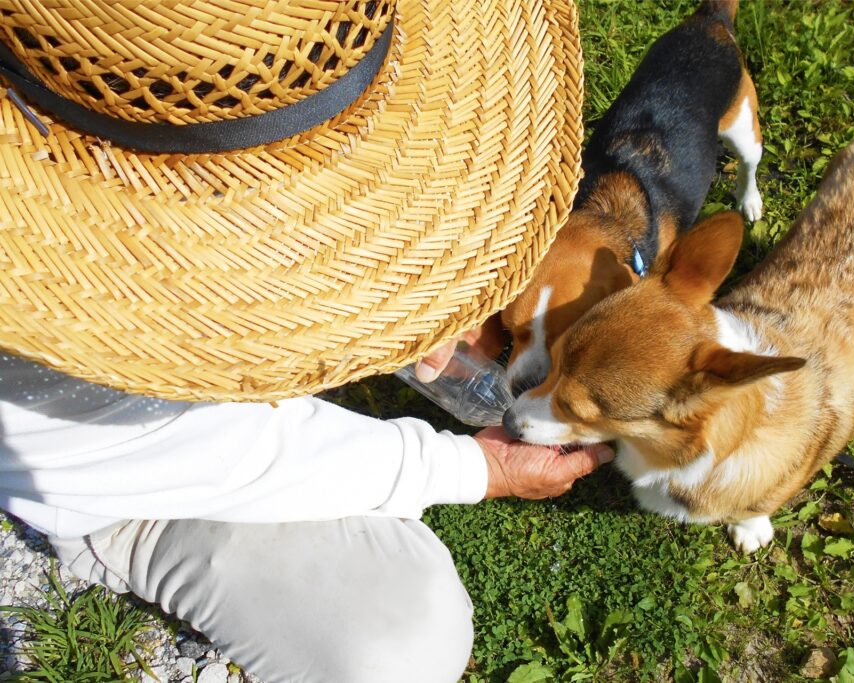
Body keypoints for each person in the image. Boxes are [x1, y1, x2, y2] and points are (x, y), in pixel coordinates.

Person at [0, 1, 608, 681]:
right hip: (132, 473)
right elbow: (224, 450)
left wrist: (403, 277)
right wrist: (471, 469)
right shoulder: (31, 314)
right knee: (407, 637)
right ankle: (127, 538)